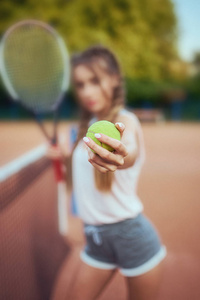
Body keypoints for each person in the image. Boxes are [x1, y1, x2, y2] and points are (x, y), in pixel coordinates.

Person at [48, 45, 166, 300]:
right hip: (96, 239)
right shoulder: (86, 128)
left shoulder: (127, 121)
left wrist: (121, 156)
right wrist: (65, 159)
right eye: (80, 84)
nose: (87, 91)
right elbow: (84, 172)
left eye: (95, 80)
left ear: (114, 79)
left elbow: (129, 152)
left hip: (131, 237)